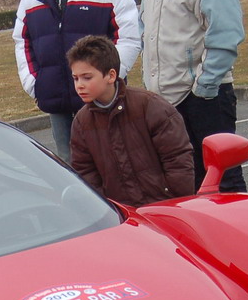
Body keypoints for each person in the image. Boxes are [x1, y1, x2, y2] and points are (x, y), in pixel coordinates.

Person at [139, 0, 247, 192]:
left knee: (223, 180)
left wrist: (203, 89)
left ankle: (235, 224)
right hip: (167, 103)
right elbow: (146, 36)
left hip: (205, 99)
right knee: (189, 183)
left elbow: (226, 36)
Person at [13, 0, 142, 164]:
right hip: (57, 103)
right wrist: (35, 84)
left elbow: (128, 38)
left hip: (103, 101)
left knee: (114, 162)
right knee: (69, 167)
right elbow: (23, 42)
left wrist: (108, 80)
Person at [67, 35, 193, 206]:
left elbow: (177, 159)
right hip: (121, 215)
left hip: (164, 206)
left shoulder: (150, 106)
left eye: (87, 77)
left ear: (111, 75)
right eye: (75, 78)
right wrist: (107, 208)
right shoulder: (82, 123)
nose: (79, 85)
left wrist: (175, 200)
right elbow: (85, 172)